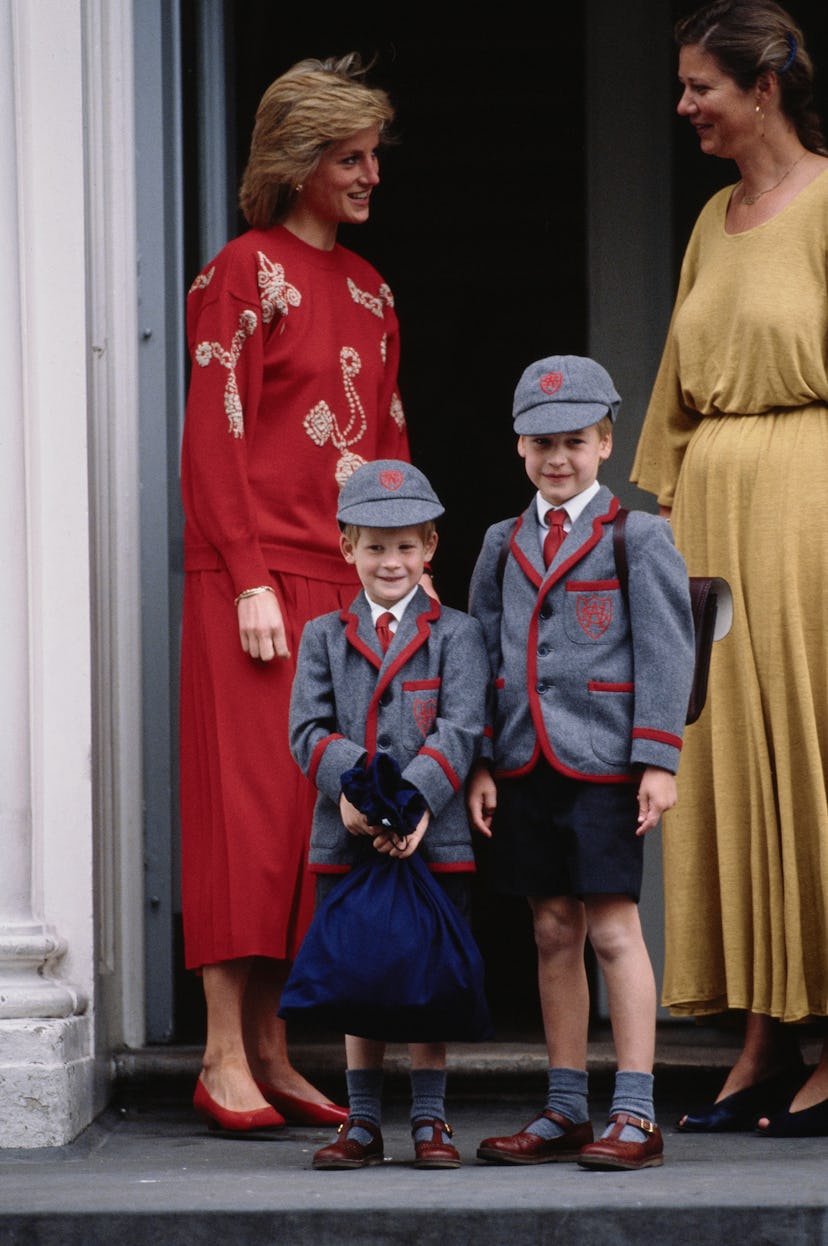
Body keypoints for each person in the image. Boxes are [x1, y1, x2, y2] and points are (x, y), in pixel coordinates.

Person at [180, 53, 413, 1133]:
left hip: (344, 576)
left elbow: (391, 445)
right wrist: (248, 581)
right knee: (249, 812)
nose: (369, 174)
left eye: (373, 155)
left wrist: (403, 579)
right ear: (299, 159)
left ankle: (274, 1047)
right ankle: (222, 1051)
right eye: (349, 156)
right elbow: (213, 434)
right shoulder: (244, 271)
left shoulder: (371, 291)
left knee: (319, 814)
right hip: (255, 581)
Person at [631, 0, 828, 1139]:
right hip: (711, 508)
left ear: (764, 91)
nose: (685, 106)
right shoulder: (714, 214)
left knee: (803, 757)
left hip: (807, 500)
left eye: (702, 85)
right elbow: (674, 376)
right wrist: (655, 523)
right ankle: (759, 1037)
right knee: (726, 767)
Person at [467, 355, 695, 1171]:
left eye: (573, 442)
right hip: (527, 760)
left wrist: (658, 759)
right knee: (551, 928)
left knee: (611, 930)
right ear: (520, 449)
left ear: (605, 443)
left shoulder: (638, 535)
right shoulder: (500, 542)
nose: (556, 459)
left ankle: (635, 1111)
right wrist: (483, 759)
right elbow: (481, 653)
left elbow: (669, 652)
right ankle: (565, 1105)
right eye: (540, 444)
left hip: (605, 762)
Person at [288, 458, 491, 1169]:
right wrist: (355, 798)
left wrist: (418, 806)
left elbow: (462, 727)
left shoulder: (457, 634)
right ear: (347, 548)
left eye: (406, 546)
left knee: (424, 978)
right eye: (373, 545)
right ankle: (364, 1121)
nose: (390, 560)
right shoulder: (321, 635)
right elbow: (307, 730)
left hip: (434, 836)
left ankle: (431, 1120)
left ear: (430, 547)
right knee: (361, 976)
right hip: (346, 832)